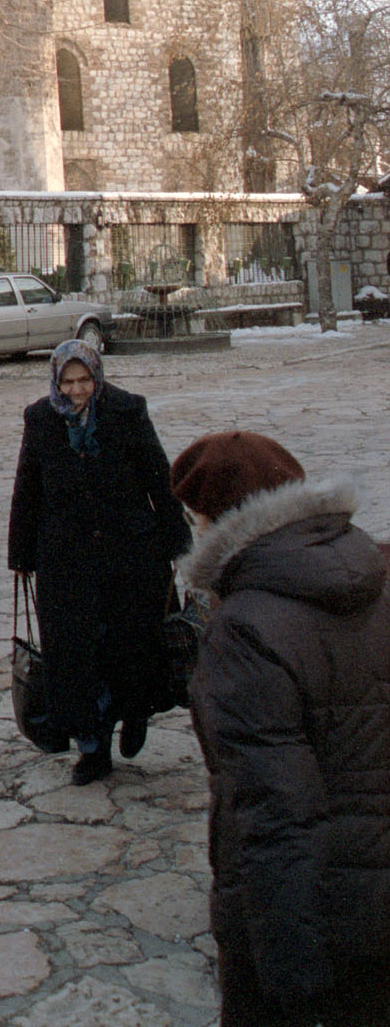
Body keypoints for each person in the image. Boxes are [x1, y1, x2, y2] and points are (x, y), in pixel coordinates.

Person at [171, 431, 390, 1027]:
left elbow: (274, 811)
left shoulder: (245, 629)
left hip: (308, 914)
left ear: (219, 520)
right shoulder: (374, 576)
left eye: (195, 519)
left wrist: (288, 971)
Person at [7, 338, 190, 784]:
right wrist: (21, 553)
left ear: (97, 376)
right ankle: (92, 747)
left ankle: (135, 713)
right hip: (66, 559)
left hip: (130, 554)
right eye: (67, 382)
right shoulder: (40, 418)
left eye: (84, 380)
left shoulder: (127, 410)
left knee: (130, 647)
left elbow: (158, 476)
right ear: (56, 382)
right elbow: (28, 487)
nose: (76, 390)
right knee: (76, 657)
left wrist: (177, 541)